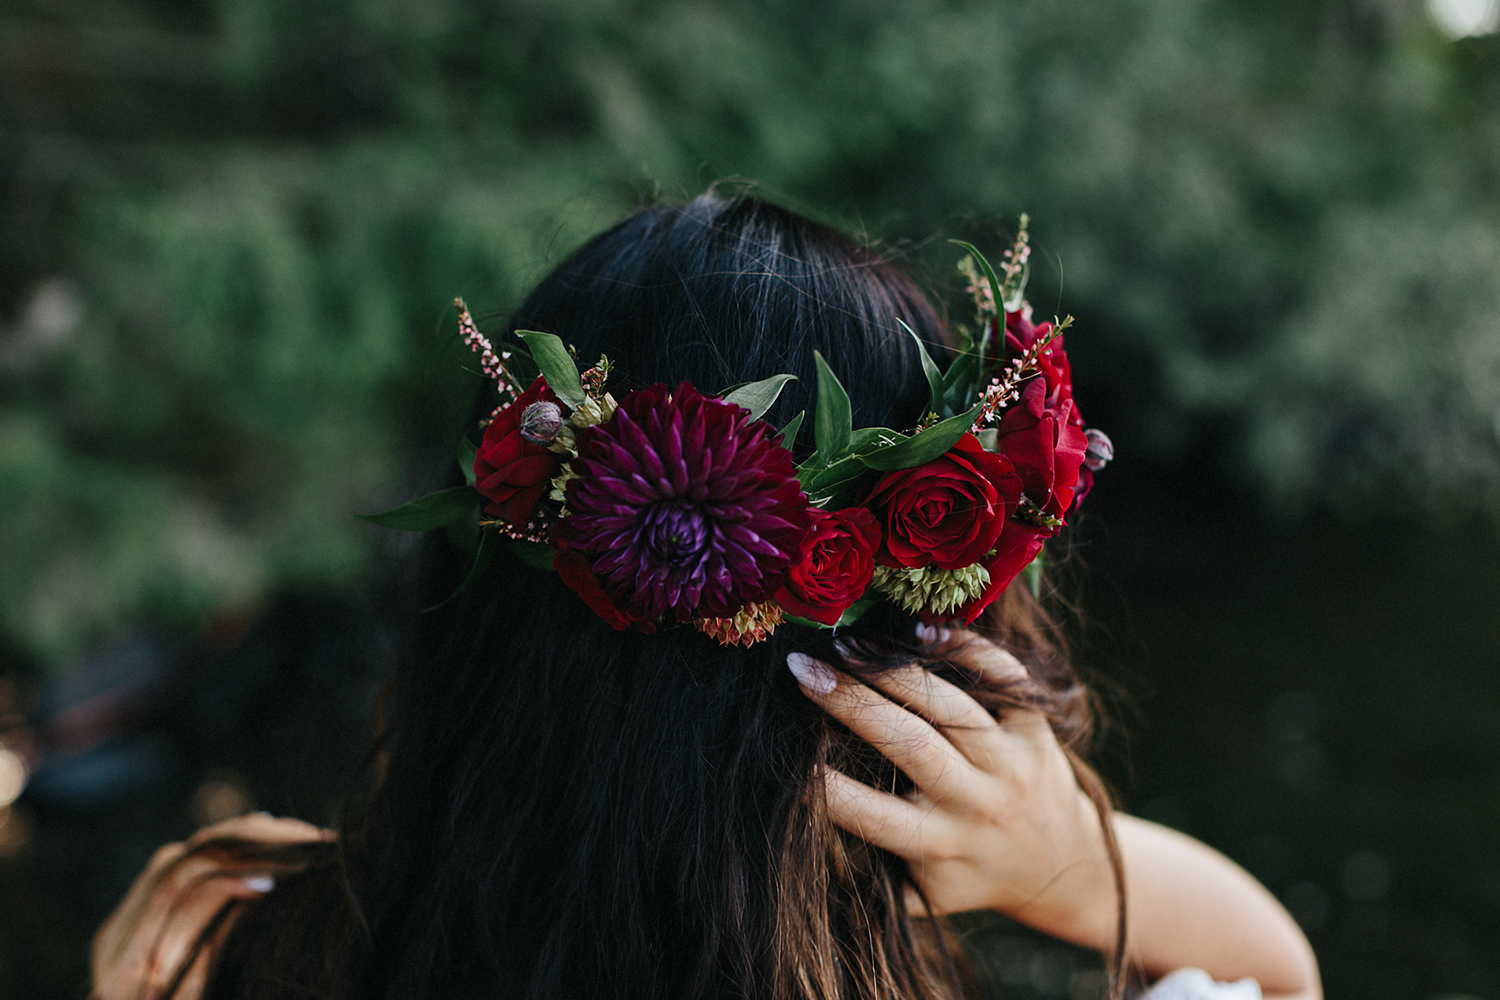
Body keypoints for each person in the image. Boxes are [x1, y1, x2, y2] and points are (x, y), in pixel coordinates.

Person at [90, 192, 1321, 1000]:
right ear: (920, 667)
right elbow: (1274, 973)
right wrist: (1065, 869)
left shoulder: (224, 952)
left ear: (483, 620)